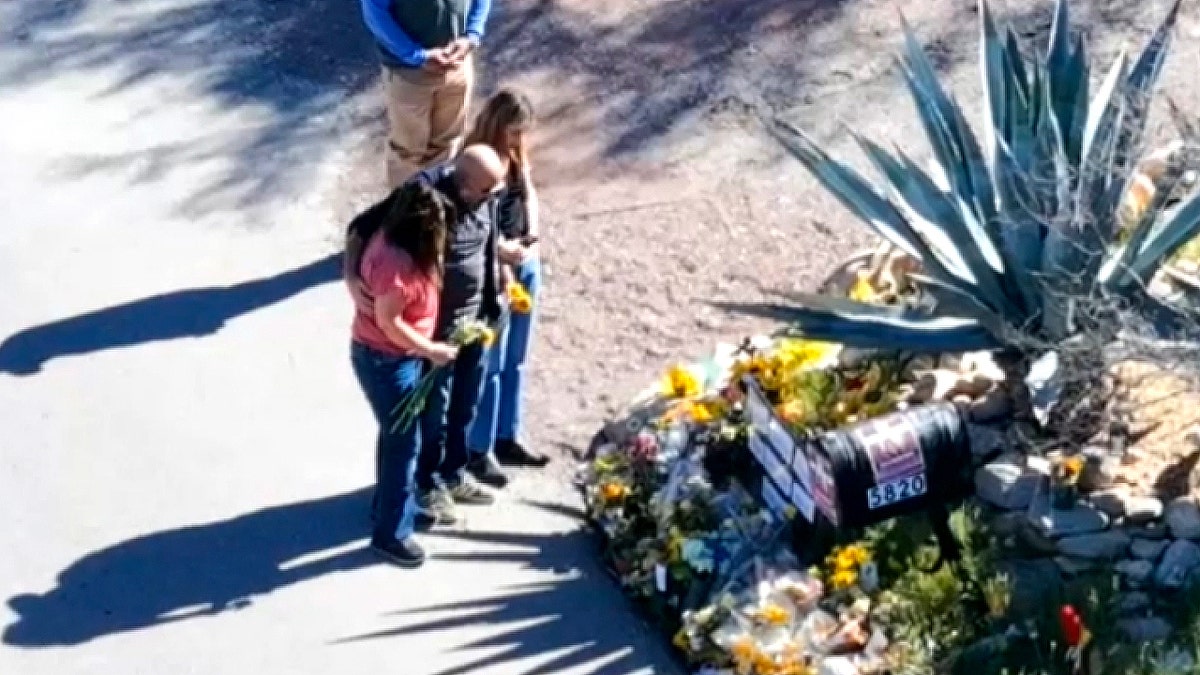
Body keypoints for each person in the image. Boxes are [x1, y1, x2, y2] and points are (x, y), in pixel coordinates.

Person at [345, 144, 509, 526]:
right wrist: (352, 277)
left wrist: (502, 271)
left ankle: (453, 472)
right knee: (429, 417)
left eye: (495, 191)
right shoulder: (424, 196)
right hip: (434, 337)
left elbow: (487, 241)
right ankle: (425, 485)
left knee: (464, 406)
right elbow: (361, 227)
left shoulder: (486, 195)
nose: (491, 199)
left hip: (476, 323)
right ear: (464, 184)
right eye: (486, 191)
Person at [348, 182, 458, 569]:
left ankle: (393, 508)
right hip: (387, 360)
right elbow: (389, 322)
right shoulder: (395, 262)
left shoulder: (394, 240)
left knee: (396, 435)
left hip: (396, 358)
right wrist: (432, 351)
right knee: (403, 443)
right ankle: (391, 533)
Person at [464, 90, 549, 491]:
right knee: (491, 364)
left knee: (516, 357)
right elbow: (471, 224)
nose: (518, 140)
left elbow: (528, 192)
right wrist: (502, 257)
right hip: (496, 270)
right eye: (514, 132)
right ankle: (479, 448)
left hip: (524, 259)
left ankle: (507, 435)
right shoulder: (477, 159)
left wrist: (533, 235)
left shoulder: (515, 155)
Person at [361, 0, 494, 187]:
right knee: (407, 151)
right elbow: (376, 13)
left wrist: (472, 35)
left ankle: (438, 203)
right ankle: (405, 209)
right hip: (409, 74)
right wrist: (416, 56)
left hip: (457, 65)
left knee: (447, 142)